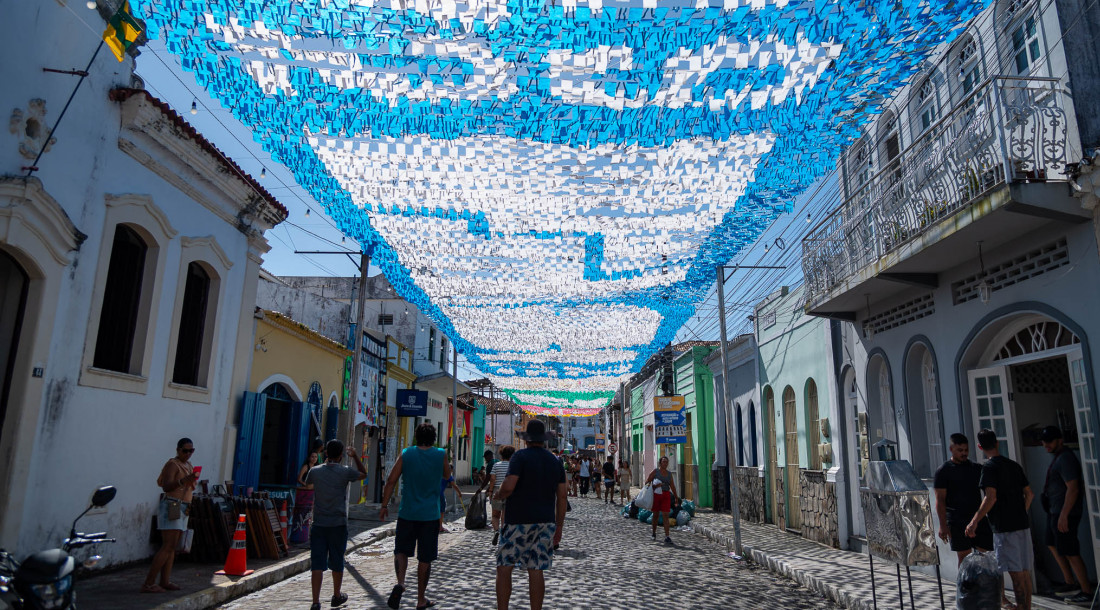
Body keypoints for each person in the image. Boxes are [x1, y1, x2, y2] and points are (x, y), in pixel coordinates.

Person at [495, 420, 568, 610]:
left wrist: (499, 494)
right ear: (544, 440)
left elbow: (509, 486)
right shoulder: (555, 461)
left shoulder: (520, 457)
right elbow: (562, 496)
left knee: (504, 567)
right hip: (545, 522)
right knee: (536, 570)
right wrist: (559, 526)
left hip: (517, 521)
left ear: (526, 440)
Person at [380, 423, 449, 610]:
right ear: (434, 437)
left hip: (407, 512)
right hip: (430, 515)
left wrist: (384, 505)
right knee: (424, 559)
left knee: (401, 551)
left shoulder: (406, 453)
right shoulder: (440, 454)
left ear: (416, 437)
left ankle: (401, 582)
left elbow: (391, 480)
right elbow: (447, 475)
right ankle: (420, 599)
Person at [966, 429, 1034, 610]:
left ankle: (1022, 607)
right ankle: (1026, 607)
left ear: (980, 447)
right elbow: (1030, 494)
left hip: (1005, 527)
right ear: (997, 443)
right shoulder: (1014, 465)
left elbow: (991, 497)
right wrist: (1021, 511)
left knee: (1016, 573)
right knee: (1025, 572)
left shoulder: (988, 468)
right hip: (1022, 525)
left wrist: (974, 521)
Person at [304, 439, 367, 610]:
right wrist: (355, 457)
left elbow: (308, 484)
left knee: (317, 563)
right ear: (341, 456)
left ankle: (315, 601)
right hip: (338, 523)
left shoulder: (315, 471)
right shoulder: (345, 472)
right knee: (337, 560)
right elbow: (363, 474)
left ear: (326, 454)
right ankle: (336, 595)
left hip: (319, 523)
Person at [1039, 426, 1093, 604]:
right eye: (1044, 441)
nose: (1045, 445)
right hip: (1054, 510)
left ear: (1059, 441)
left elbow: (1073, 488)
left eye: (1049, 441)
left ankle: (1086, 590)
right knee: (1052, 543)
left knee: (1070, 551)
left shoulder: (1066, 459)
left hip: (1064, 512)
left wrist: (1064, 515)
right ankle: (1070, 581)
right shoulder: (1058, 458)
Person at [142, 438, 198, 593]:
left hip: (183, 506)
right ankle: (149, 583)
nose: (188, 454)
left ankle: (164, 580)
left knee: (173, 547)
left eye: (191, 451)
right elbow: (167, 486)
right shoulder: (172, 464)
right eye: (185, 451)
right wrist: (182, 481)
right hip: (173, 505)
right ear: (178, 450)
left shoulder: (187, 465)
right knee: (168, 545)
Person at [933, 433, 994, 565]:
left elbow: (989, 494)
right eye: (960, 450)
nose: (964, 453)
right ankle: (965, 585)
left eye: (966, 450)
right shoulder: (943, 471)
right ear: (951, 449)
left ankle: (985, 584)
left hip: (978, 518)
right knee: (964, 558)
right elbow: (940, 500)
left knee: (986, 556)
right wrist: (943, 525)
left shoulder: (976, 468)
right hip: (956, 520)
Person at [646, 455, 679, 544]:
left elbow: (672, 486)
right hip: (656, 495)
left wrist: (676, 497)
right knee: (656, 515)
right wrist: (655, 485)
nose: (665, 463)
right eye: (663, 461)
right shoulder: (655, 472)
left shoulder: (669, 474)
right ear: (660, 463)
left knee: (665, 515)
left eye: (666, 462)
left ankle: (667, 536)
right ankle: (653, 533)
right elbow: (647, 482)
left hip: (666, 495)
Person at [488, 445, 515, 545]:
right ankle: (504, 534)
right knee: (505, 515)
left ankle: (496, 531)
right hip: (509, 492)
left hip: (496, 492)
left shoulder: (496, 465)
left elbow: (492, 479)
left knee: (495, 515)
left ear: (501, 455)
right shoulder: (513, 466)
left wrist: (490, 491)